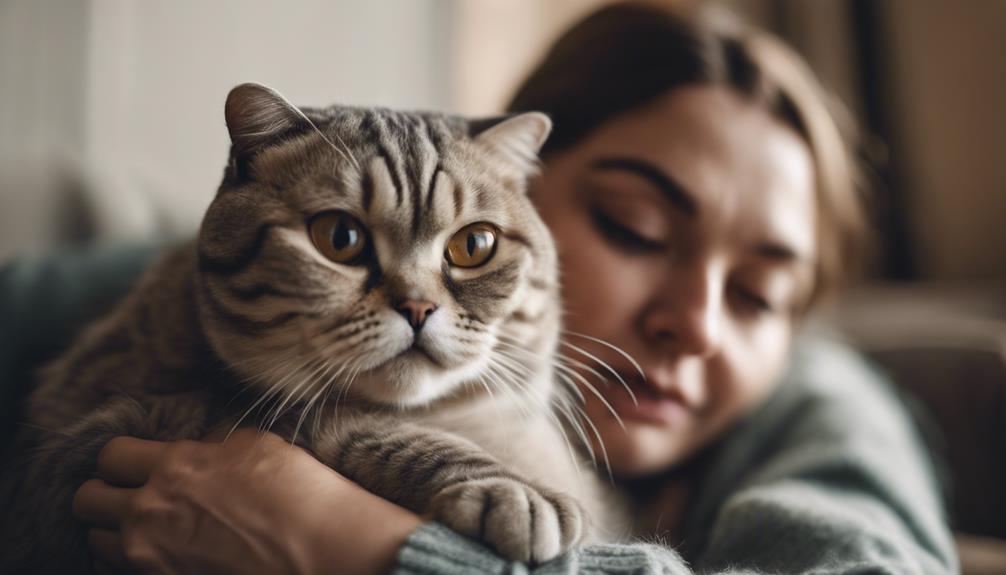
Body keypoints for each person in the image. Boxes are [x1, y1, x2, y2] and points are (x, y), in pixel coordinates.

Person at [58, 3, 957, 573]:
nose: (695, 323)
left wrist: (356, 544)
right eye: (634, 228)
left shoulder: (819, 408)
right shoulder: (172, 279)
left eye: (760, 294)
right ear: (534, 182)